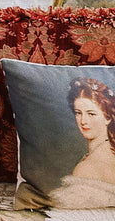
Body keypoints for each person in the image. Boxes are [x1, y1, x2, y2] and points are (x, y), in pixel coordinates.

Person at [49, 77, 115, 208]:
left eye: (91, 114)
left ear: (107, 118)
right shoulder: (109, 149)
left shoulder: (86, 168)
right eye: (78, 113)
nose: (83, 121)